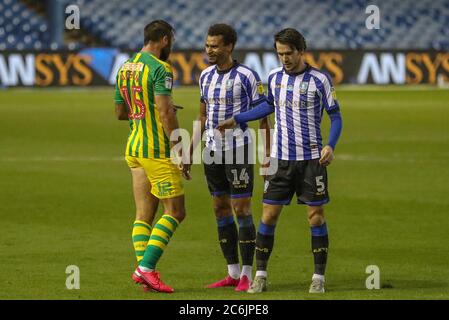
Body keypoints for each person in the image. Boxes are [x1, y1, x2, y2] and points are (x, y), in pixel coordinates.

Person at [217, 28, 343, 293]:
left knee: (316, 217)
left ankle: (318, 278)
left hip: (311, 160)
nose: (284, 58)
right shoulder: (274, 78)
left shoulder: (320, 80)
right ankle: (261, 275)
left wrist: (330, 145)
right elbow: (268, 106)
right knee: (268, 215)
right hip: (281, 160)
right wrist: (238, 118)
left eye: (288, 53)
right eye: (280, 53)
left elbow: (336, 116)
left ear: (301, 51)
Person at [182, 23, 271, 292]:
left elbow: (265, 113)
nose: (209, 50)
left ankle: (247, 273)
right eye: (207, 45)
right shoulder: (205, 76)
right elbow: (202, 116)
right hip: (211, 150)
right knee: (219, 208)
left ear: (229, 46)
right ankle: (231, 272)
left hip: (238, 149)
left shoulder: (247, 76)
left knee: (241, 209)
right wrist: (189, 150)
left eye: (214, 45)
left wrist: (267, 156)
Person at [114, 20, 186, 294]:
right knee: (176, 211)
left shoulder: (125, 67)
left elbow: (121, 113)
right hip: (156, 151)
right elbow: (166, 112)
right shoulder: (160, 68)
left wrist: (146, 110)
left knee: (144, 215)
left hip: (133, 148)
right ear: (165, 39)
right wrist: (180, 149)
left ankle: (146, 272)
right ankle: (145, 269)